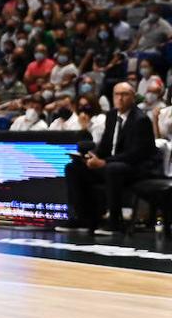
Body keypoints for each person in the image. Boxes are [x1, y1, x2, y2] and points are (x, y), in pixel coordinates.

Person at [60, 82, 159, 234]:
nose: (120, 98)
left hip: (135, 168)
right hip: (111, 164)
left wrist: (104, 162)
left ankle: (114, 222)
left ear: (133, 97)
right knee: (73, 167)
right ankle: (83, 218)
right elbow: (106, 144)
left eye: (124, 94)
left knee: (113, 169)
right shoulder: (112, 115)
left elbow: (136, 154)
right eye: (117, 94)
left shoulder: (141, 120)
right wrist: (94, 156)